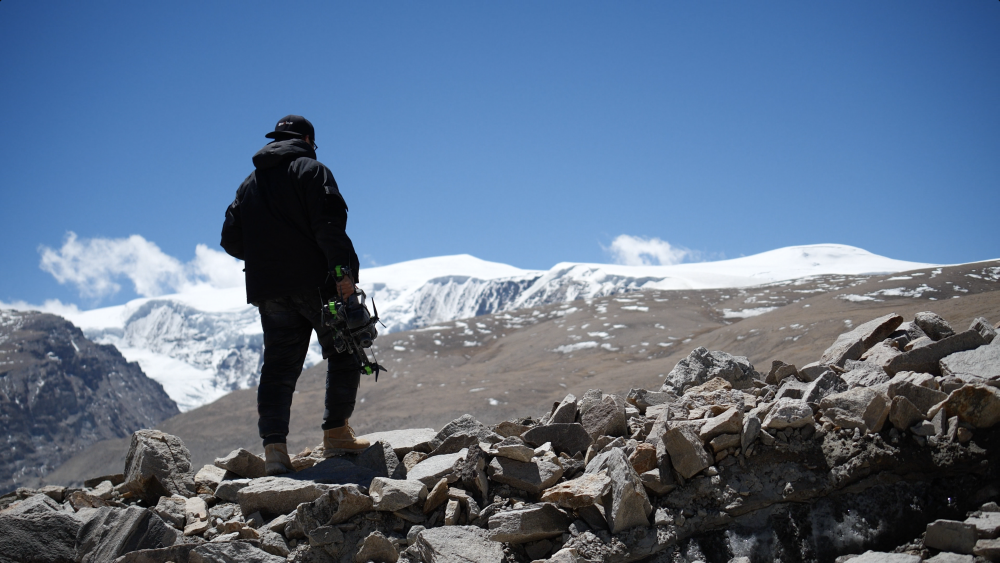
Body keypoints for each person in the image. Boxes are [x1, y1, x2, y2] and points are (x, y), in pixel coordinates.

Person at [220, 114, 370, 475]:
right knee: (345, 347)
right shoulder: (312, 171)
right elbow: (329, 226)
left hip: (269, 290)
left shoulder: (249, 184)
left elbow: (230, 239)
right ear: (307, 140)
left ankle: (275, 452)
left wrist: (269, 258)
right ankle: (336, 433)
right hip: (317, 283)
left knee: (278, 368)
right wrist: (343, 275)